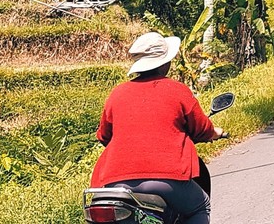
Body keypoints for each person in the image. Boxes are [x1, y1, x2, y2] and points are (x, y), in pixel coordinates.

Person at [91, 32, 223, 224]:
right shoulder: (177, 90)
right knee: (200, 206)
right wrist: (216, 133)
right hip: (167, 178)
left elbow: (104, 136)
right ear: (164, 63)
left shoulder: (117, 94)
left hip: (116, 182)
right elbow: (201, 128)